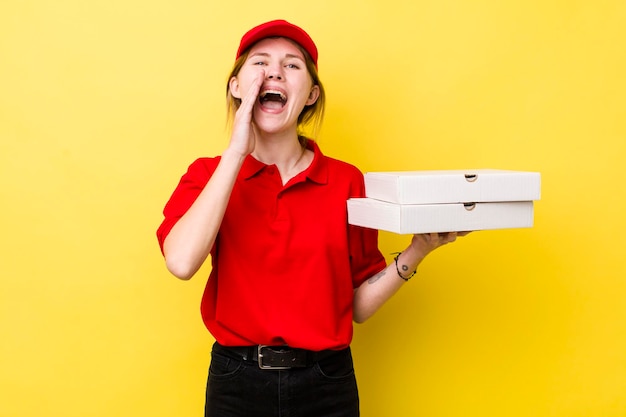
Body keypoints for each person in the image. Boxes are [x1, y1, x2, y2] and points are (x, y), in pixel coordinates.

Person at [157, 19, 467, 417]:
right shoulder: (206, 175)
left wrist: (419, 249)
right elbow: (181, 262)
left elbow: (358, 306)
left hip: (327, 384)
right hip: (237, 383)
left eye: (291, 65)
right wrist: (235, 152)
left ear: (311, 94)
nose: (274, 72)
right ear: (236, 87)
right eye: (260, 62)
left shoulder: (345, 181)